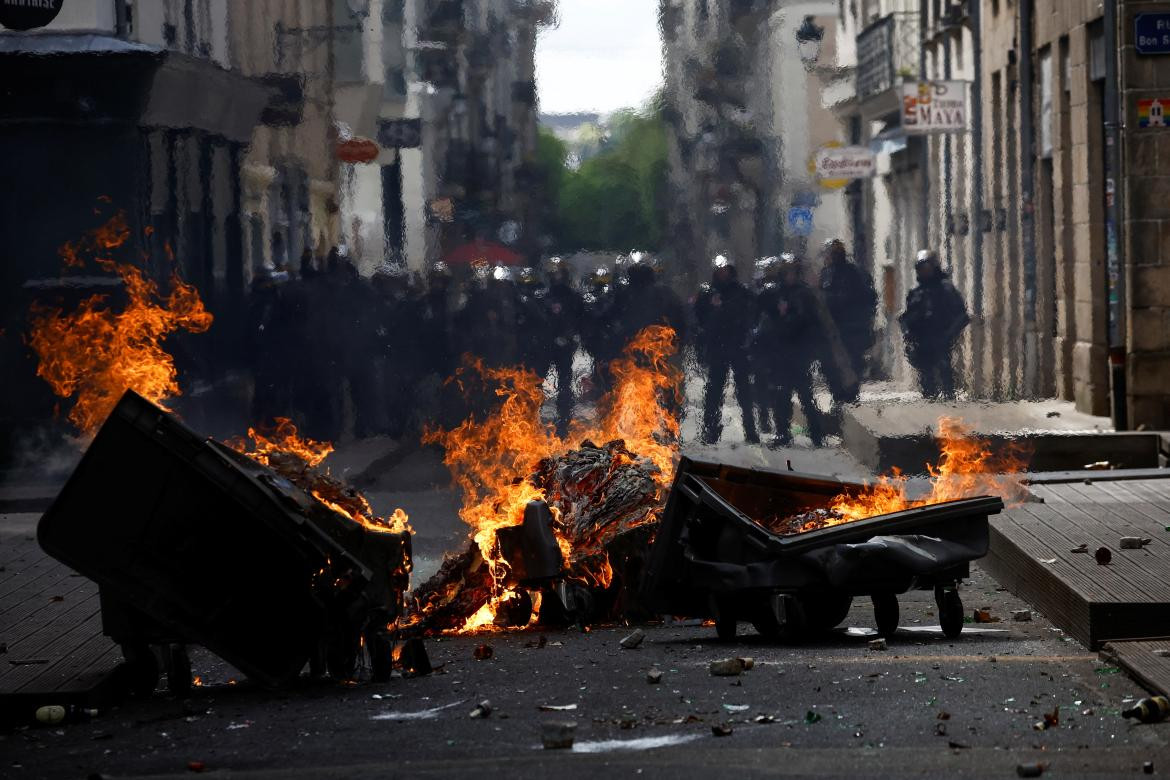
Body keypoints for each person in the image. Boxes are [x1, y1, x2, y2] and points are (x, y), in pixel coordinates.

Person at [756, 253, 824, 447]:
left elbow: (812, 323)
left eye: (794, 271)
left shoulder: (804, 294)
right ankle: (782, 433)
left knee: (806, 395)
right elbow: (765, 319)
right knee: (781, 395)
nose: (791, 275)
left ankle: (817, 434)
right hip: (780, 353)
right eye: (788, 272)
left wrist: (810, 348)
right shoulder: (774, 294)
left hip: (799, 352)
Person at [693, 255, 758, 444]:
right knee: (714, 391)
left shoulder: (742, 292)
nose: (723, 273)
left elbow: (750, 315)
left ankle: (751, 431)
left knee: (744, 391)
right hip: (717, 348)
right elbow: (699, 318)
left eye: (726, 270)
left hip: (737, 346)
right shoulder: (708, 293)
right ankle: (710, 430)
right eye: (720, 271)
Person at [899, 249, 970, 399]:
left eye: (927, 268)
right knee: (926, 376)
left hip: (940, 337)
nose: (925, 271)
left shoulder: (945, 289)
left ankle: (949, 400)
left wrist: (949, 334)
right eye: (921, 268)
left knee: (944, 370)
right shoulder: (916, 292)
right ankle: (930, 402)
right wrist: (907, 332)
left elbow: (961, 315)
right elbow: (907, 316)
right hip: (921, 340)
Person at [818, 239, 877, 404]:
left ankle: (850, 395)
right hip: (832, 328)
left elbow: (869, 299)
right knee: (831, 365)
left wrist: (863, 320)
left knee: (853, 362)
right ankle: (838, 395)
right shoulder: (826, 274)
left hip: (852, 328)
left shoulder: (855, 273)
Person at [536, 257, 583, 436]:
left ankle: (563, 423)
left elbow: (579, 320)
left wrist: (569, 336)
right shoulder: (543, 297)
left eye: (559, 273)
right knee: (537, 383)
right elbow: (539, 321)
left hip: (565, 346)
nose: (556, 277)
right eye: (553, 273)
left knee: (565, 385)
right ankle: (532, 419)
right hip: (546, 346)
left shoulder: (573, 297)